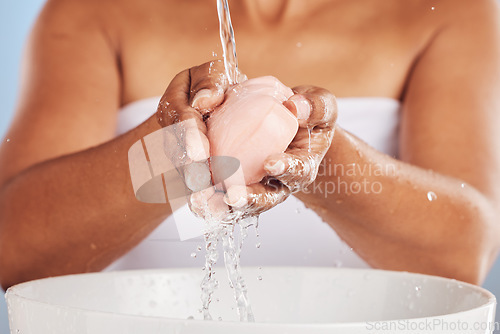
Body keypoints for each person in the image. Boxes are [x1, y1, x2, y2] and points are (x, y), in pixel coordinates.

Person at [0, 0, 499, 290]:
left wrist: (318, 160)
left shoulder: (452, 10)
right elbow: (16, 253)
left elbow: (462, 257)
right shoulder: (94, 11)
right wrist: (171, 151)